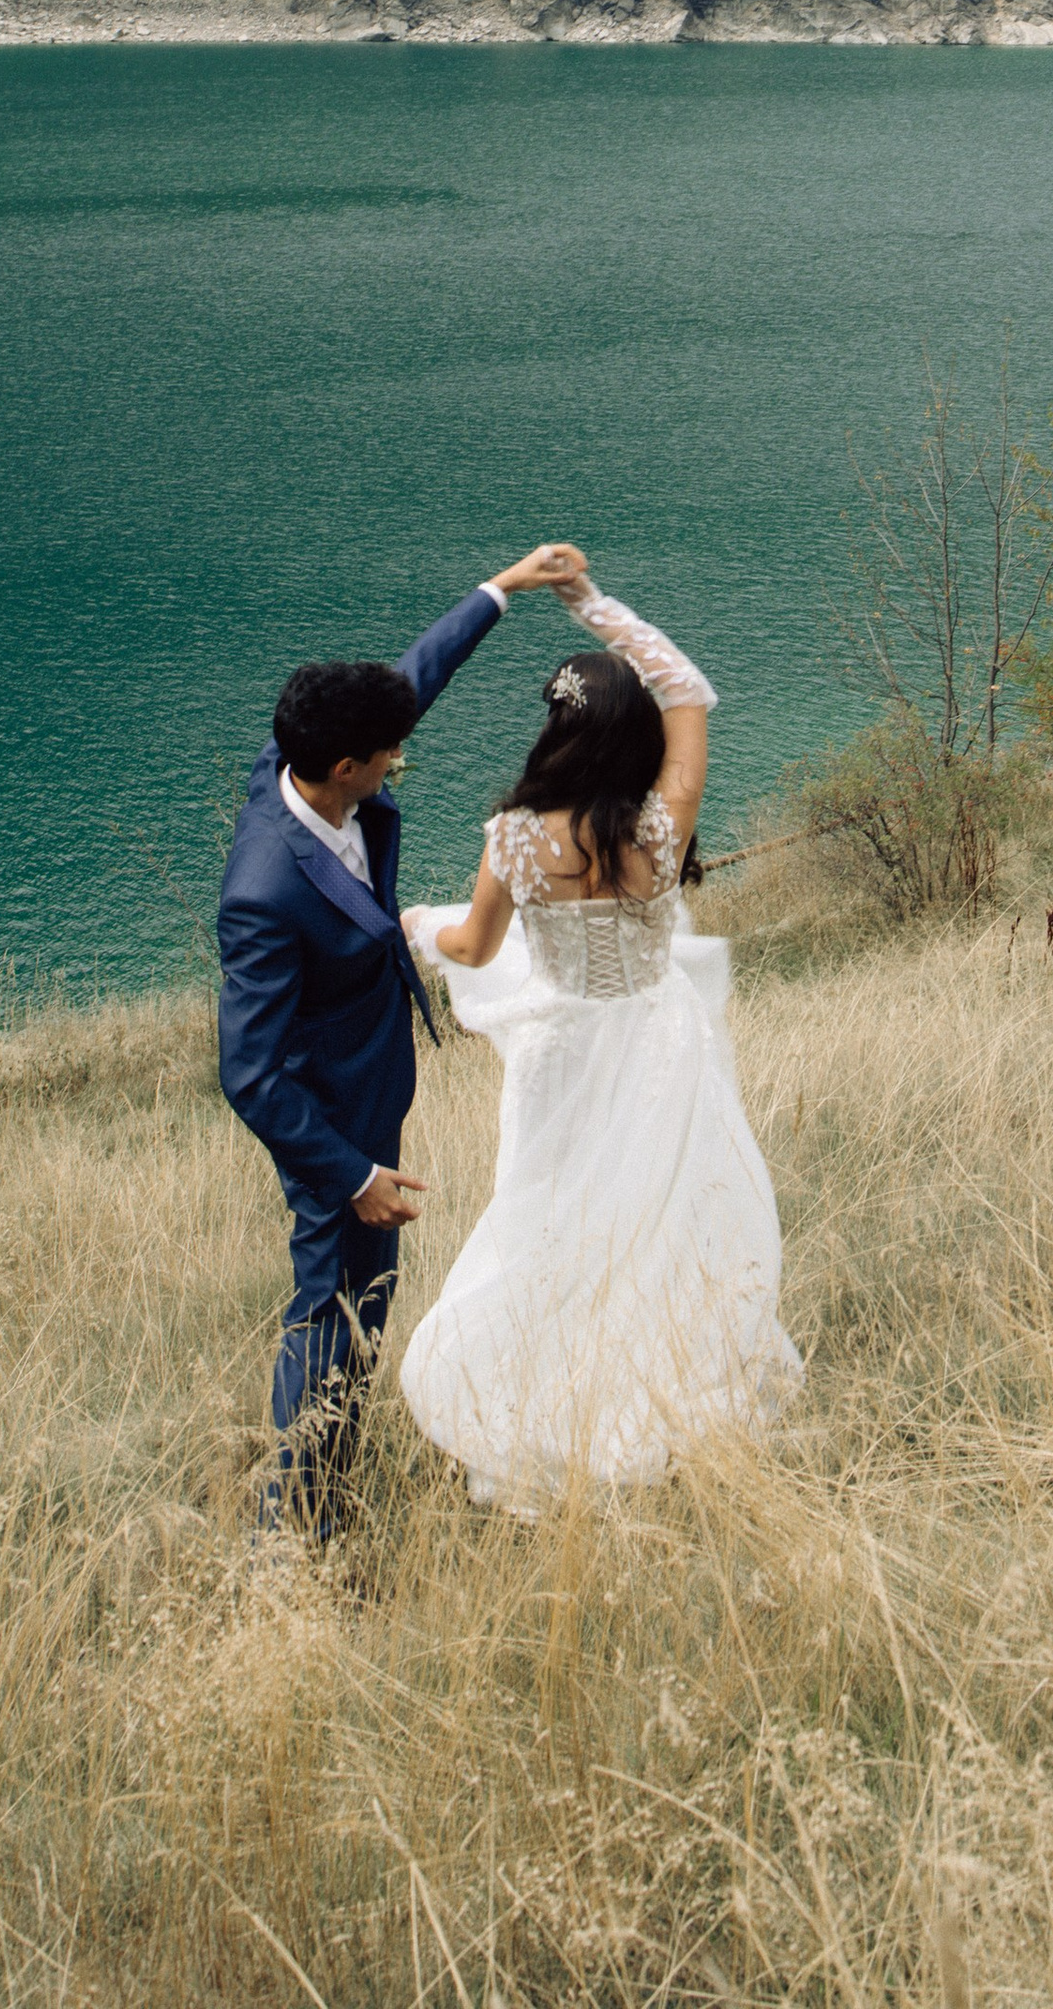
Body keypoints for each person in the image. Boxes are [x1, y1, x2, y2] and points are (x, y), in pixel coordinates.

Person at [399, 552, 802, 1508]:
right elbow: (687, 687)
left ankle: (554, 1409)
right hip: (660, 1042)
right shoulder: (662, 827)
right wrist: (590, 603)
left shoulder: (515, 839)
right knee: (663, 1220)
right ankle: (659, 1390)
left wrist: (417, 925)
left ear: (558, 729)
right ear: (636, 736)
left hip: (562, 1058)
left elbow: (472, 939)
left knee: (553, 1224)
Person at [217, 543, 577, 1540]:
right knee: (329, 1309)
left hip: (374, 1080)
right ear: (344, 768)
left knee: (362, 1300)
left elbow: (409, 683)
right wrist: (348, 1172)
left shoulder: (311, 760)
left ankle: (327, 1485)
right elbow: (245, 1071)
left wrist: (500, 590)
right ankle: (290, 1529)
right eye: (389, 760)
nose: (397, 764)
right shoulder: (263, 890)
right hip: (328, 1119)